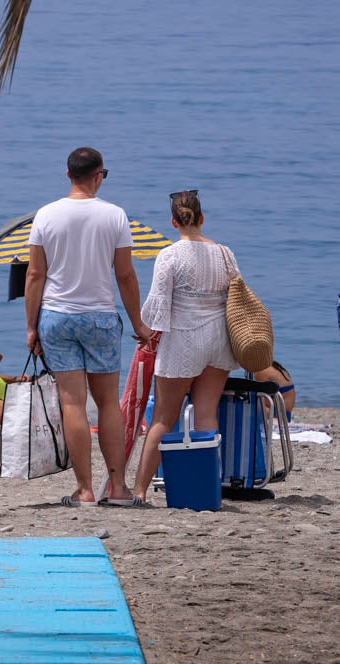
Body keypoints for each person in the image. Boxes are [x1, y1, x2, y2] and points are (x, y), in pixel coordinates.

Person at [25, 147, 151, 508]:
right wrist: (139, 323)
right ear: (98, 176)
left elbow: (35, 275)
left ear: (68, 175)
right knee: (109, 403)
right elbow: (124, 275)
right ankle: (118, 488)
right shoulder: (115, 215)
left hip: (57, 317)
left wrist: (30, 327)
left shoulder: (45, 216)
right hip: (100, 317)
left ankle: (84, 491)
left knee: (72, 403)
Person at [130, 190, 237, 503]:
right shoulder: (225, 253)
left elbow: (159, 301)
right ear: (202, 218)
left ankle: (139, 491)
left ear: (173, 221)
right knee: (206, 414)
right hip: (218, 339)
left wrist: (146, 330)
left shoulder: (170, 255)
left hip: (183, 339)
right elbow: (237, 295)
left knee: (163, 417)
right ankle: (205, 488)